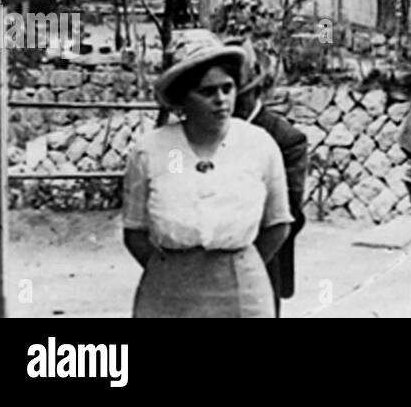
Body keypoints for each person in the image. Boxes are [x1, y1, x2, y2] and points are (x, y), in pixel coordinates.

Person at [123, 32, 292, 317]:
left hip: (242, 292)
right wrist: (177, 272)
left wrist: (236, 267)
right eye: (207, 92)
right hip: (167, 293)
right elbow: (134, 232)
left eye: (227, 88)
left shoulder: (259, 145)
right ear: (182, 98)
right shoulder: (150, 150)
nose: (221, 100)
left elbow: (278, 224)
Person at [229, 39, 308, 315]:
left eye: (236, 95)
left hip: (261, 261)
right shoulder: (202, 135)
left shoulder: (285, 139)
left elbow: (288, 213)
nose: (225, 104)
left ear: (256, 92)